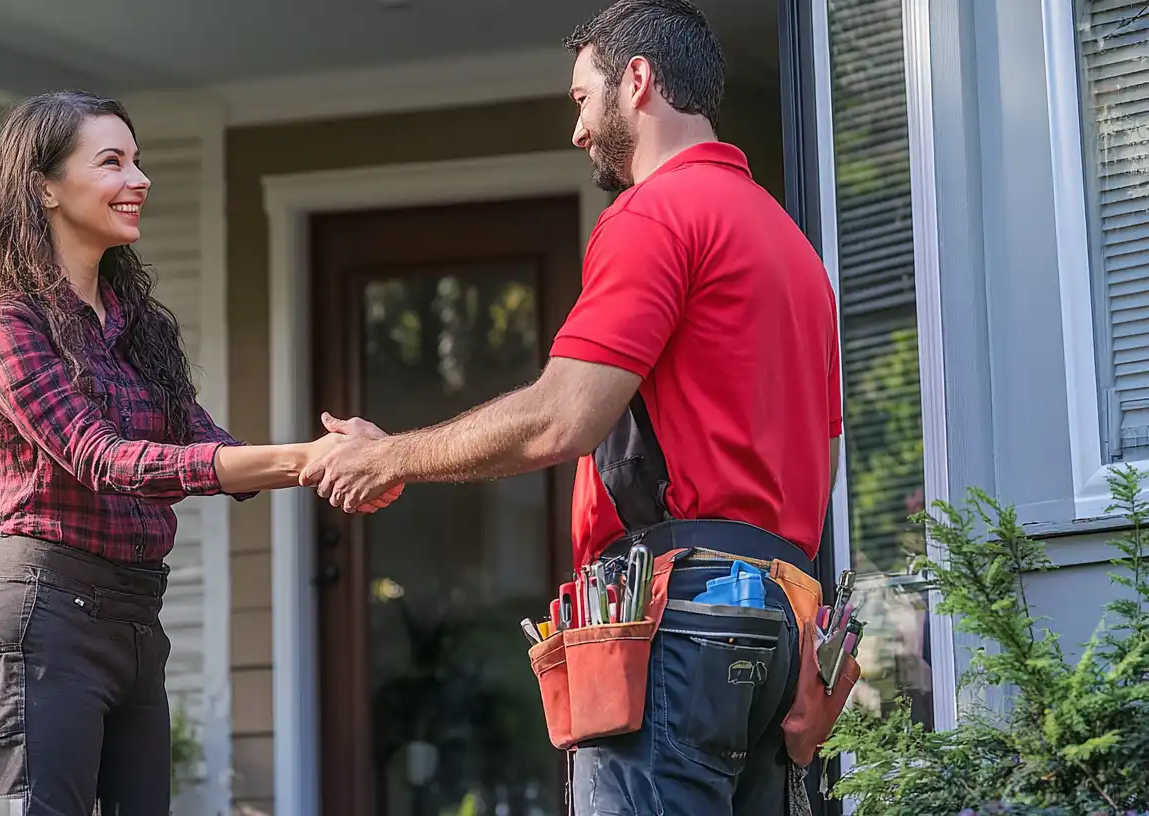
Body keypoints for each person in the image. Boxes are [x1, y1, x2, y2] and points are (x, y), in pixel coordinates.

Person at [301, 1, 843, 813]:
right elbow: (822, 463)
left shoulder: (657, 213)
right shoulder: (792, 247)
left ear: (638, 80)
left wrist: (387, 456)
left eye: (583, 99)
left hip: (679, 621)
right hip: (781, 620)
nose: (579, 130)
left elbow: (565, 416)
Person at [0, 90, 398, 815]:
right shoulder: (11, 319)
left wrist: (328, 459)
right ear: (44, 187)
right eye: (112, 161)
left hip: (136, 622)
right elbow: (102, 458)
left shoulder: (137, 322)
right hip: (47, 622)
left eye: (139, 160)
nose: (139, 179)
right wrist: (302, 461)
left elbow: (198, 438)